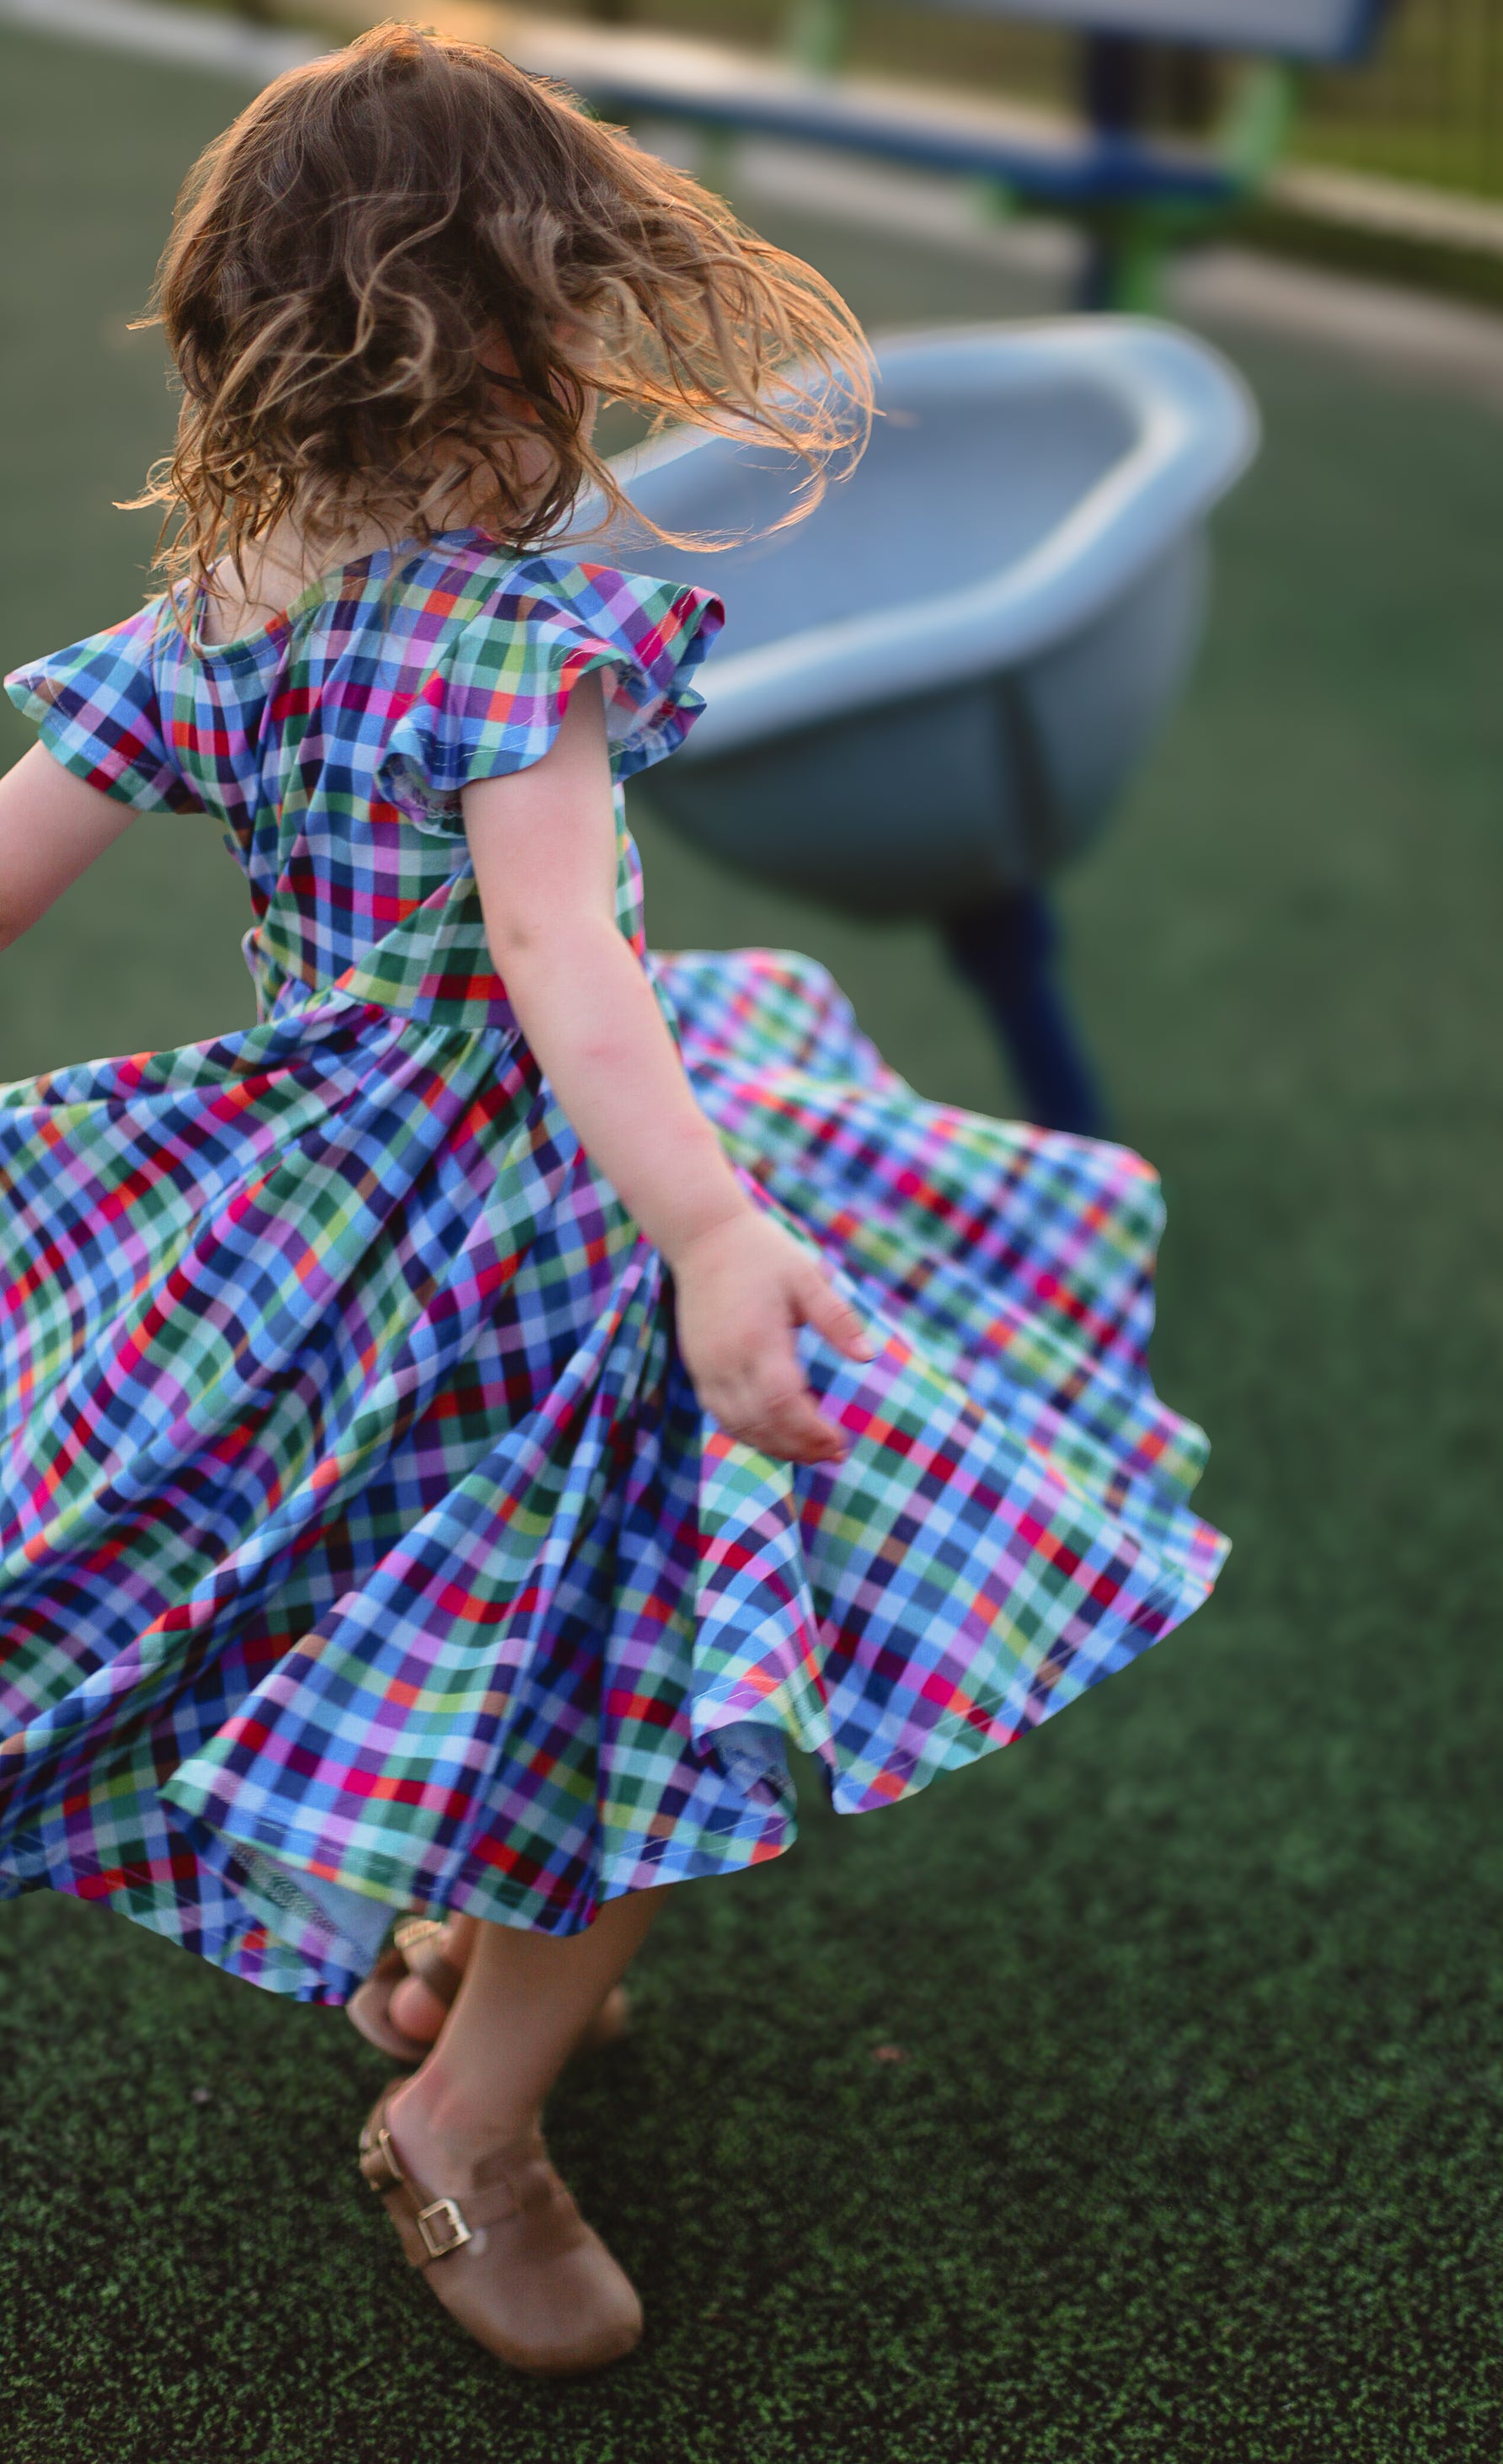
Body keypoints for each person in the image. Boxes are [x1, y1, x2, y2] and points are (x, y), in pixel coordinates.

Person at [0, 24, 1228, 2379]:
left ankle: (465, 1961)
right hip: (550, 1215)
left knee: (461, 1584)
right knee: (635, 1671)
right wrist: (706, 1234)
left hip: (333, 1221)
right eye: (565, 320)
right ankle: (466, 2122)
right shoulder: (504, 639)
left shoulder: (221, 618)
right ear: (493, 342)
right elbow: (564, 967)